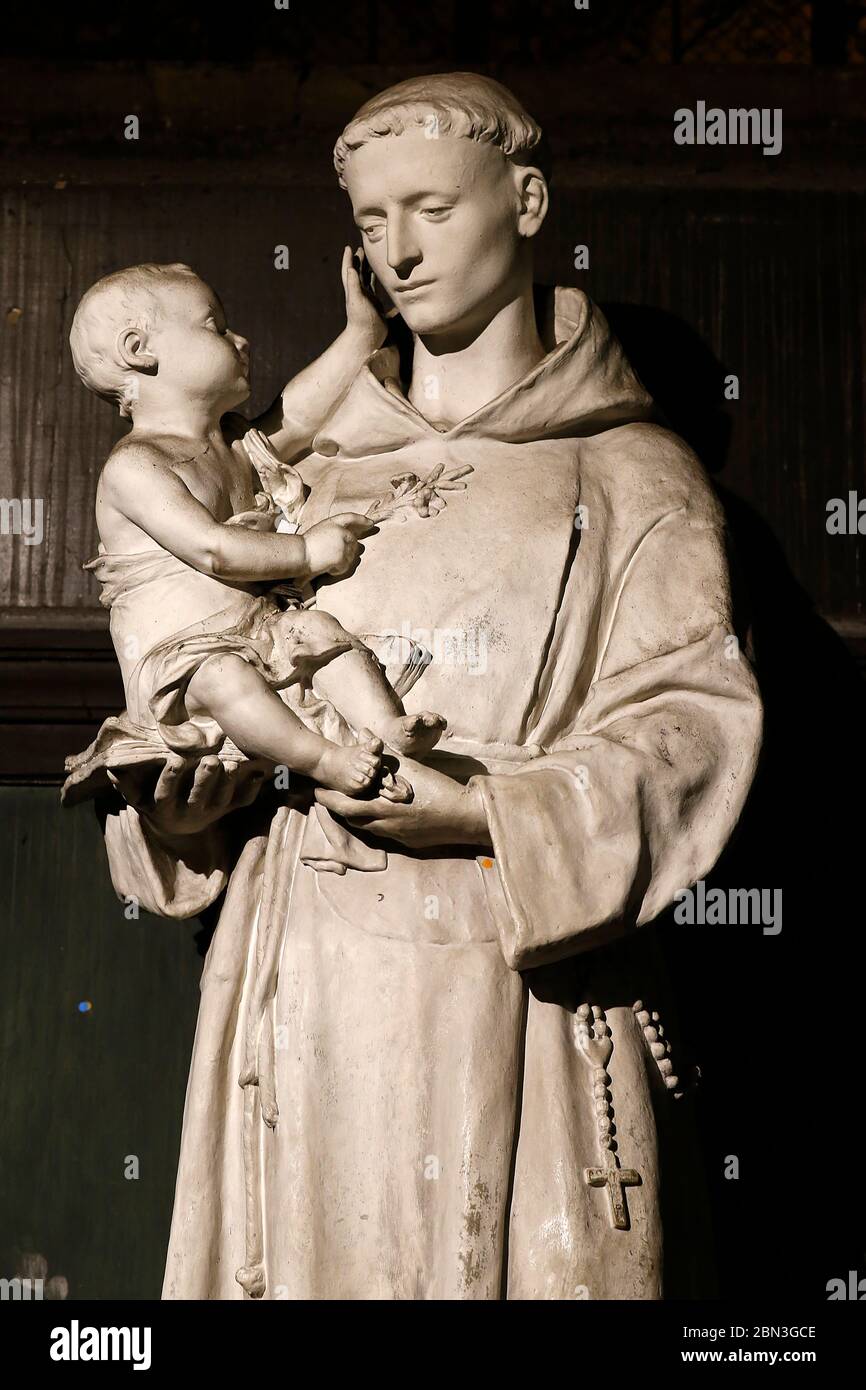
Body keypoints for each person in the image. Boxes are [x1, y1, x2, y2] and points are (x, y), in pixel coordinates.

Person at [83, 73, 762, 1299]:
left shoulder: (626, 477)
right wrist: (179, 808)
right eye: (371, 222)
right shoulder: (295, 472)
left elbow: (686, 733)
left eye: (430, 209)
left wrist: (491, 815)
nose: (396, 252)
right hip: (300, 994)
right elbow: (190, 701)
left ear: (527, 202)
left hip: (510, 981)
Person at [65, 252, 446, 805]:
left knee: (326, 637)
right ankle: (327, 759)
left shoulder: (236, 446)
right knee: (227, 681)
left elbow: (304, 415)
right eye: (214, 327)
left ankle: (385, 728)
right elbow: (213, 550)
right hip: (185, 665)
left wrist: (364, 331)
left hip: (260, 634)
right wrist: (308, 551)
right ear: (138, 351)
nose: (240, 339)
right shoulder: (136, 467)